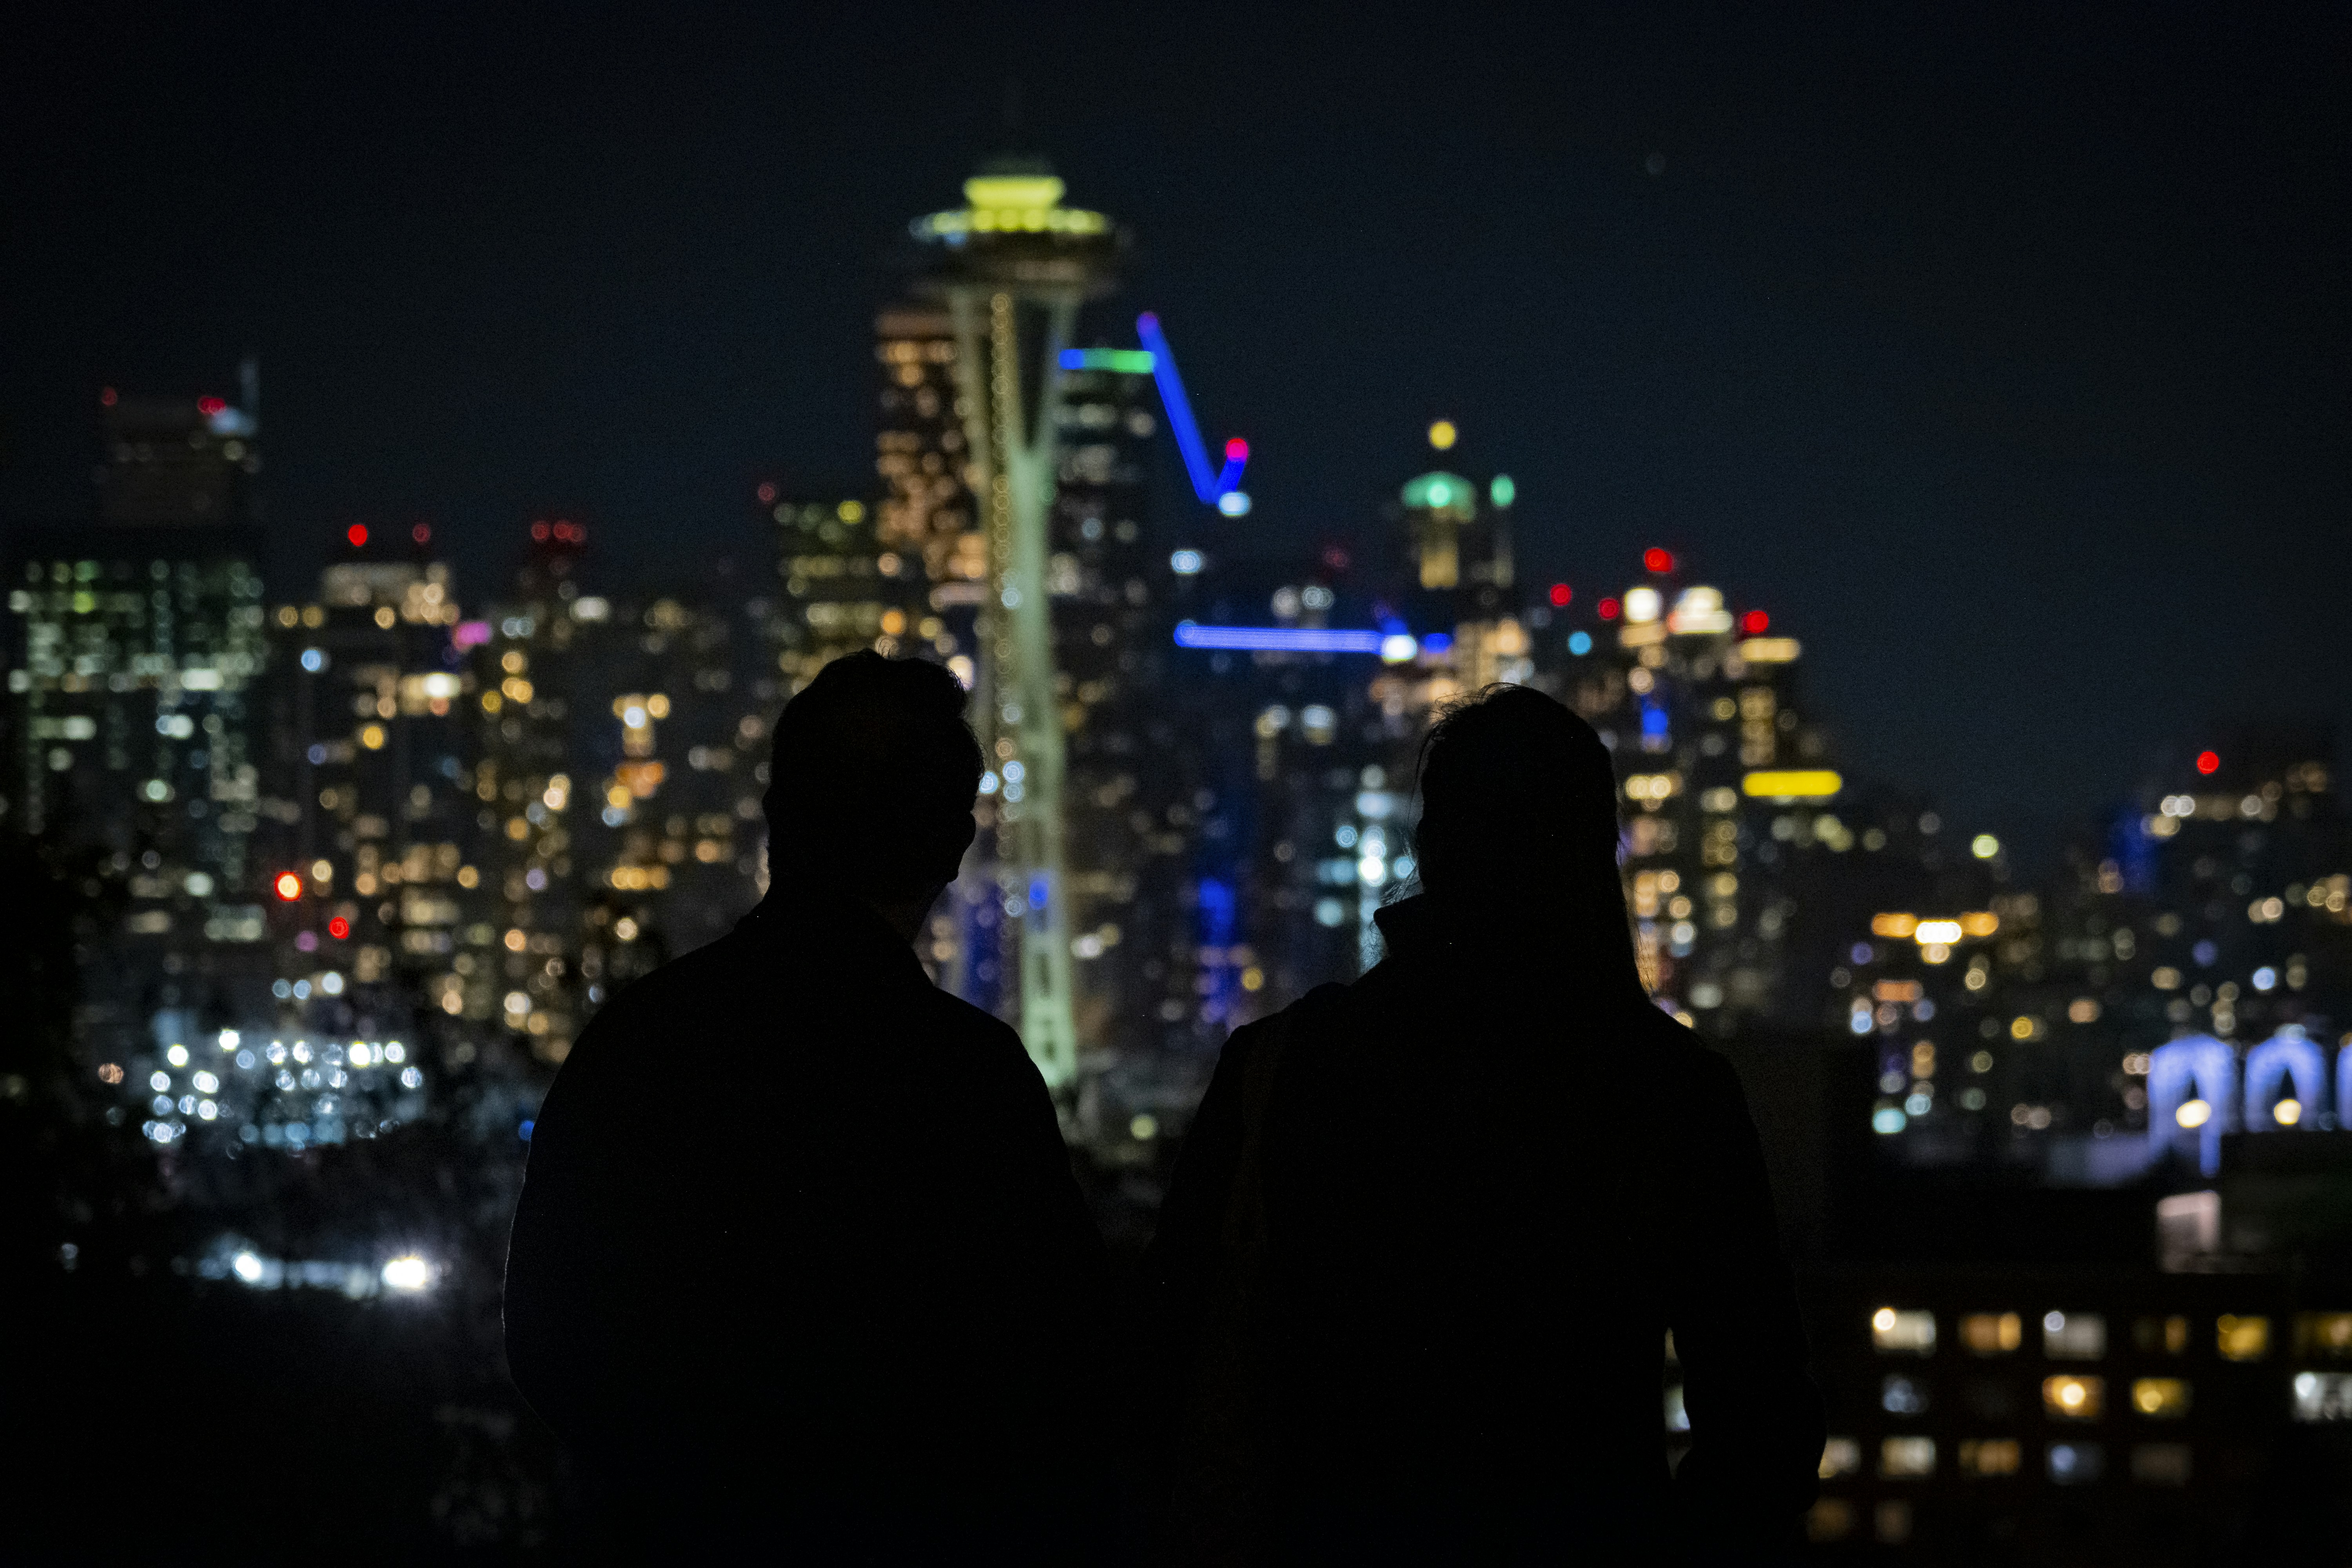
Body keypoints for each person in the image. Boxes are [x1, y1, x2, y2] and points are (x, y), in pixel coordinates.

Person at [1138, 684, 1823, 1564]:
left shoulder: (1288, 1068)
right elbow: (1763, 1421)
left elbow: (1165, 1357)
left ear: (1430, 846)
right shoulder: (1670, 1089)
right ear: (1594, 854)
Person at [505, 652, 1107, 1561]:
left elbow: (550, 1334)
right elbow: (1057, 1362)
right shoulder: (965, 1078)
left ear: (776, 817)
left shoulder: (642, 1041)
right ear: (950, 838)